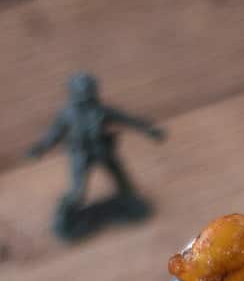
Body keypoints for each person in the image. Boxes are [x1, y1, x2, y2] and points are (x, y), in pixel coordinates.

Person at [27, 72, 165, 237]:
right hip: (81, 154)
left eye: (90, 92)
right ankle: (63, 218)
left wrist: (149, 130)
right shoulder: (67, 114)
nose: (88, 96)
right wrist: (40, 148)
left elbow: (128, 119)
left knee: (123, 182)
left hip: (102, 151)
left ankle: (129, 203)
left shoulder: (101, 110)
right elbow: (54, 134)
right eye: (84, 92)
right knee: (77, 192)